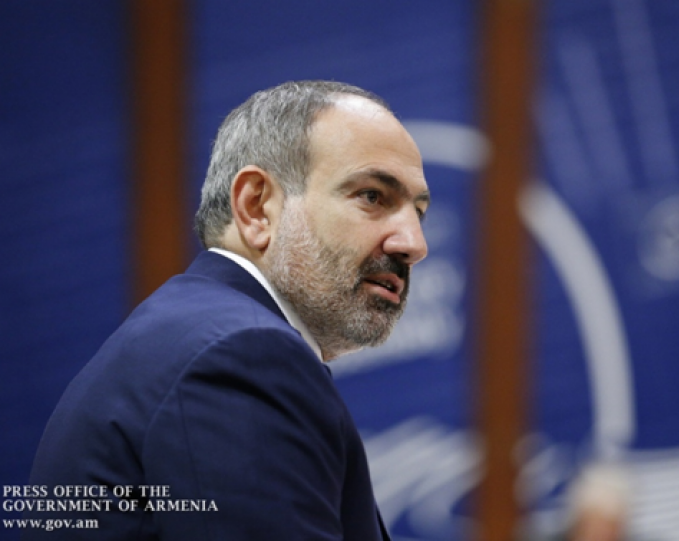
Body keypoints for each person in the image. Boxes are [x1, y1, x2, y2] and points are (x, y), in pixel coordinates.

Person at [24, 80, 430, 540]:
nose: (414, 244)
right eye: (373, 196)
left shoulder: (197, 334)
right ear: (256, 207)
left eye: (419, 213)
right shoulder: (243, 355)